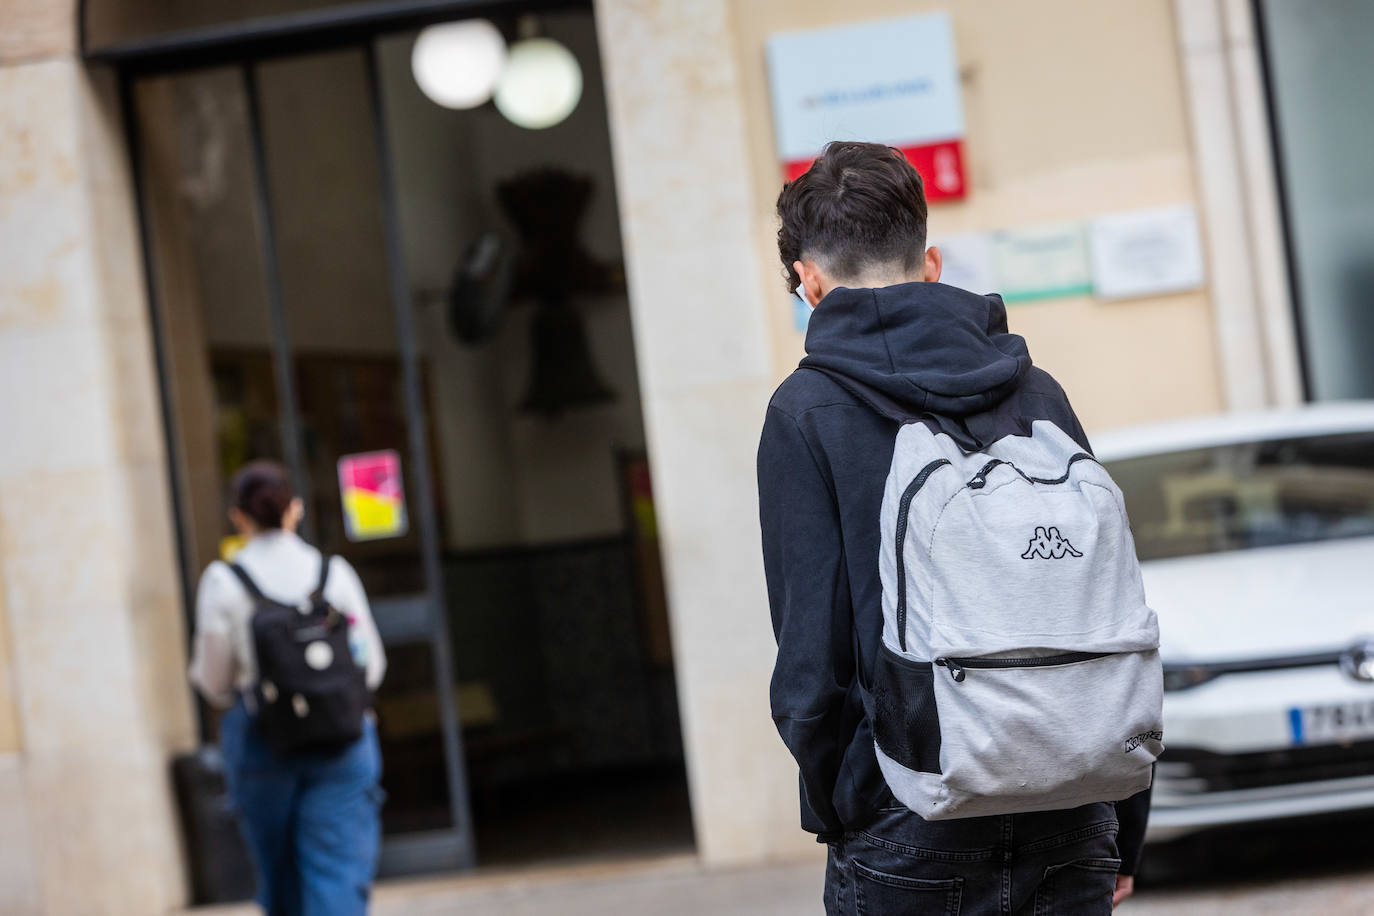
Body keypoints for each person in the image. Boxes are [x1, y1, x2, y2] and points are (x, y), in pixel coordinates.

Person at [757, 141, 1151, 914]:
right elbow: (1106, 600)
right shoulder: (1036, 392)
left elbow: (812, 660)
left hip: (909, 809)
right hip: (1072, 805)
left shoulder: (805, 413)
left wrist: (854, 810)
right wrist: (1122, 818)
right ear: (930, 261)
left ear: (809, 281)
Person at [189, 461, 387, 916]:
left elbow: (215, 684)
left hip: (264, 744)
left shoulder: (224, 582)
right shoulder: (333, 573)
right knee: (337, 870)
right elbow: (371, 665)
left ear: (239, 518)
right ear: (295, 510)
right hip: (343, 739)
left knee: (282, 878)